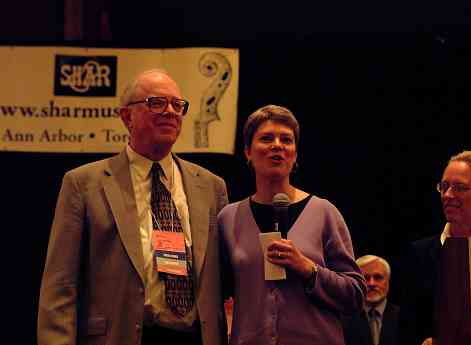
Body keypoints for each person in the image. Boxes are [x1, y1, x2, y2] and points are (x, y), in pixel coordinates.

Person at [37, 69, 229, 345]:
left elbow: (225, 280)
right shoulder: (83, 184)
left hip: (194, 336)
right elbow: (60, 285)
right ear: (127, 116)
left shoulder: (212, 187)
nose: (171, 112)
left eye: (177, 105)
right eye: (157, 103)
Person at [218, 104, 366, 345]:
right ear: (247, 151)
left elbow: (355, 295)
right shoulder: (228, 218)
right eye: (266, 138)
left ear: (295, 154)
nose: (277, 145)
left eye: (286, 140)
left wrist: (309, 269)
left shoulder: (324, 212)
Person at [399, 150, 471, 345]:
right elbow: (407, 328)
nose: (447, 195)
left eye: (459, 188)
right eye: (444, 186)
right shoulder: (420, 253)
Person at [343, 255, 399, 345]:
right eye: (365, 278)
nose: (371, 283)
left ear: (388, 281)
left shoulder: (405, 317)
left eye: (378, 277)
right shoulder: (343, 319)